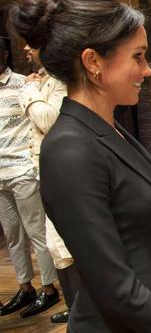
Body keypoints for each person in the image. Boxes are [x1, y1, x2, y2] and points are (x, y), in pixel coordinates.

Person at [8, 0, 151, 333]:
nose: (147, 70)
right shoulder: (69, 150)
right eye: (137, 56)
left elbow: (145, 236)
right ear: (93, 61)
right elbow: (116, 291)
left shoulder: (111, 129)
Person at [0, 37, 60, 318]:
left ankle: (49, 289)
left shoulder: (24, 83)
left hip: (23, 169)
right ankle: (26, 287)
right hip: (0, 174)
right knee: (12, 236)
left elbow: (41, 121)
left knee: (38, 234)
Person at [20, 43, 76, 324]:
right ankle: (76, 305)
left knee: (62, 243)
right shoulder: (43, 80)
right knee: (55, 244)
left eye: (33, 43)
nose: (26, 48)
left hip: (59, 169)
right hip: (42, 169)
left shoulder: (61, 81)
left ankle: (82, 307)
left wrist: (28, 92)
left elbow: (48, 120)